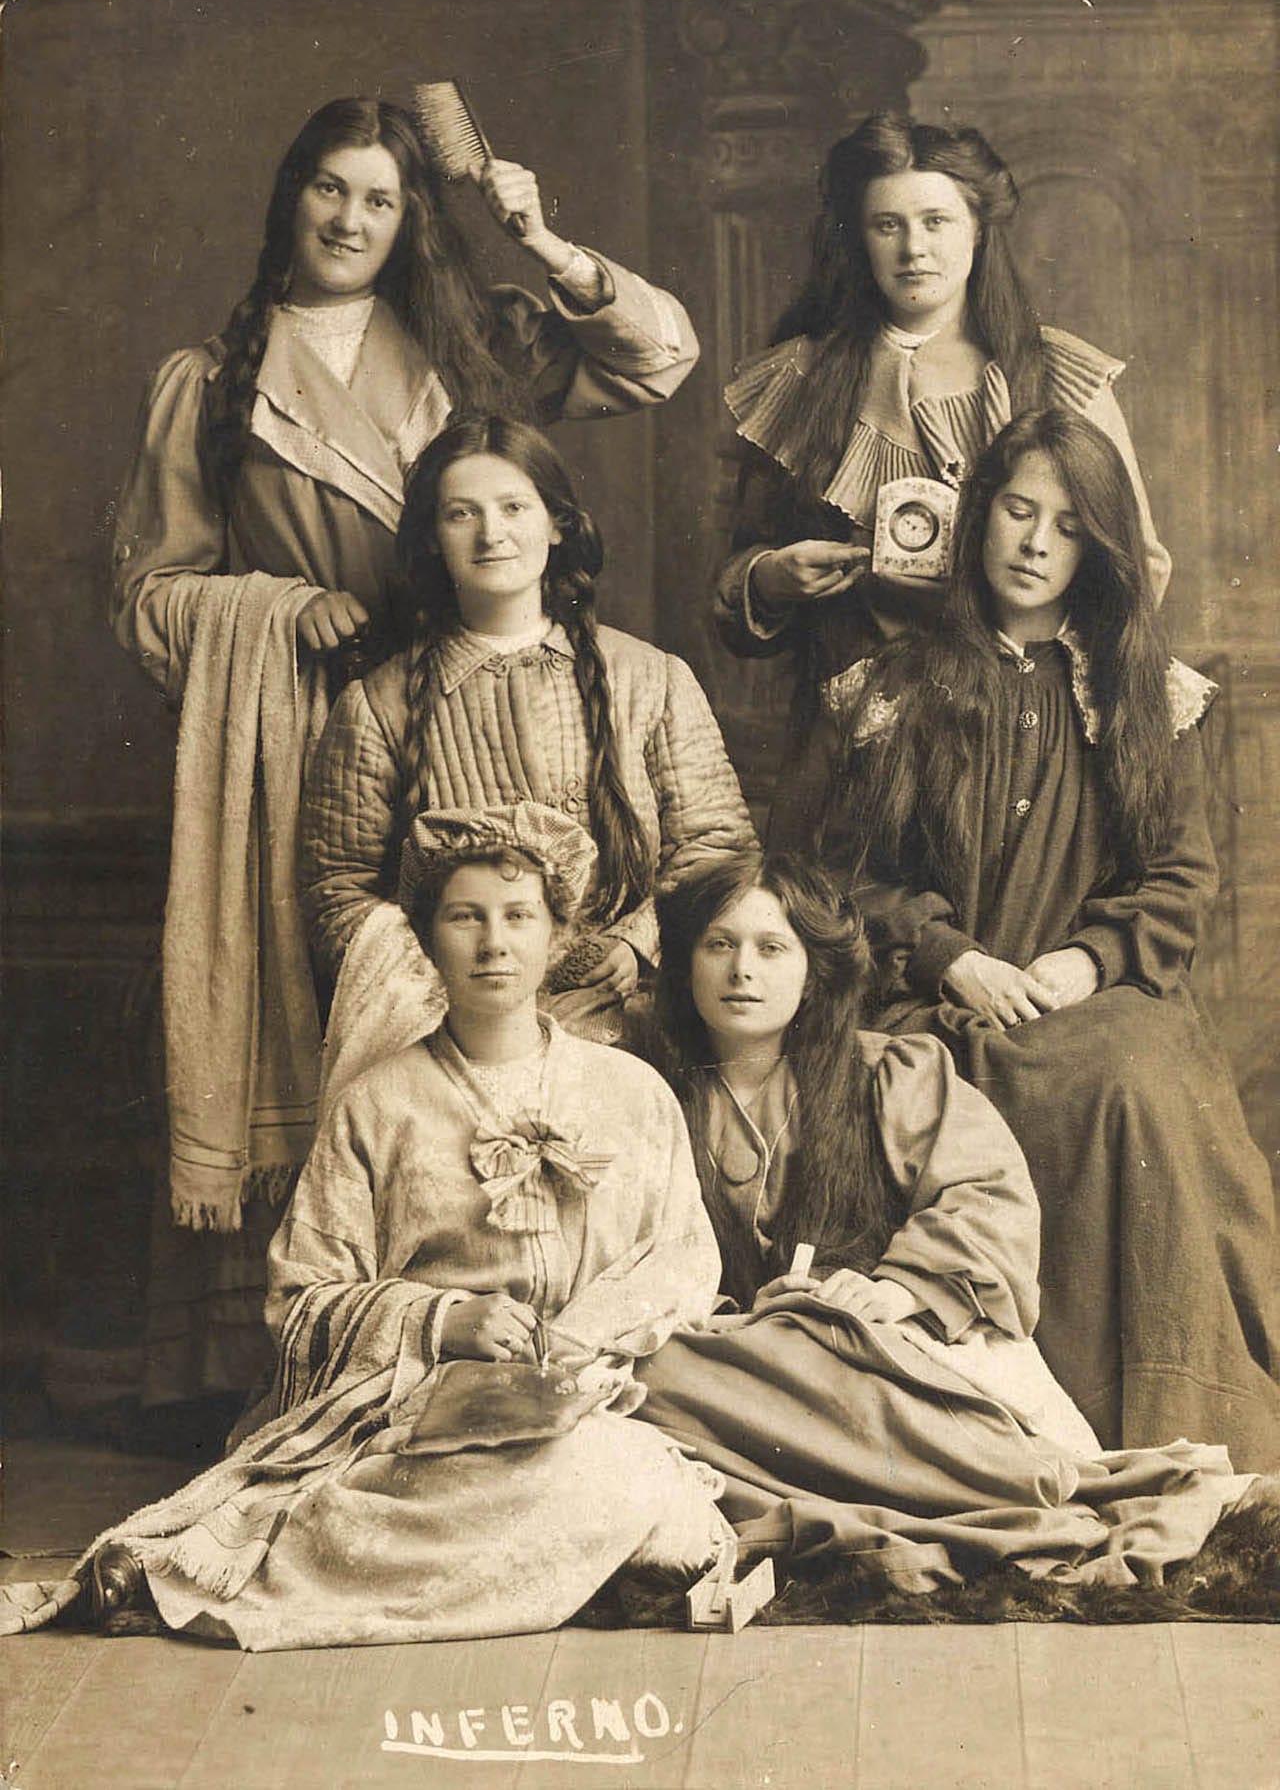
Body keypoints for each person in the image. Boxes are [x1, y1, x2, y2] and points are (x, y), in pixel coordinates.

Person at [109, 95, 700, 1407]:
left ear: (407, 217)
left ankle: (517, 1342)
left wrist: (542, 239)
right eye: (329, 188)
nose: (351, 219)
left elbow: (660, 357)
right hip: (286, 740)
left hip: (465, 729)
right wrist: (272, 609)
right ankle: (290, 1368)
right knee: (308, 1018)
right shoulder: (212, 386)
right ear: (289, 196)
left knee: (487, 1010)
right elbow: (151, 604)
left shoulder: (460, 356)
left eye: (380, 199)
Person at [0, 808, 728, 1647]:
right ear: (426, 938)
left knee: (618, 1468)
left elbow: (679, 1253)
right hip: (412, 1407)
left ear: (560, 935)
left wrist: (580, 1340)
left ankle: (434, 1568)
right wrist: (443, 1321)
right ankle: (224, 1574)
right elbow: (303, 1299)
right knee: (449, 1496)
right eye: (466, 916)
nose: (494, 943)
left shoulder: (629, 1091)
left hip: (588, 1392)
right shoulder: (379, 1103)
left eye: (518, 916)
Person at [819, 407, 1280, 1468]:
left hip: (1087, 993)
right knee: (953, 1082)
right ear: (977, 522)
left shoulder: (1138, 692)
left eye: (1065, 525)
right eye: (1016, 512)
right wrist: (955, 958)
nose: (1033, 543)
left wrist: (1081, 962)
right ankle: (1018, 1441)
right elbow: (845, 877)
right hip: (931, 991)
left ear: (1098, 544)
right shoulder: (897, 688)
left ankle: (1171, 1427)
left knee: (1129, 1078)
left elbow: (1176, 877)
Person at [636, 851, 1270, 1598]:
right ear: (686, 967)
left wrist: (901, 1290)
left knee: (836, 1379)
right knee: (657, 1378)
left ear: (815, 972)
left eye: (772, 948)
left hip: (901, 1350)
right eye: (720, 945)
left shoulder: (889, 1074)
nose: (744, 970)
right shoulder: (645, 1097)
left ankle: (1009, 1487)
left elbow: (986, 1196)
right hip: (745, 1373)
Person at [712, 111, 1170, 846]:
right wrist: (771, 578)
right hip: (853, 754)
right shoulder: (802, 383)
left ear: (979, 228)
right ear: (859, 239)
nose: (914, 248)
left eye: (936, 220)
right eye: (887, 225)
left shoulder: (1056, 378)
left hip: (1023, 748)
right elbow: (735, 584)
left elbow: (1134, 568)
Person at [301, 413, 758, 1036]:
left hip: (633, 1020)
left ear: (557, 523)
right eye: (461, 514)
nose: (492, 534)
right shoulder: (376, 706)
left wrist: (637, 946)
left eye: (514, 507)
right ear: (432, 536)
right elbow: (339, 895)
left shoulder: (652, 678)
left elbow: (719, 854)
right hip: (449, 1027)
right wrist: (452, 990)